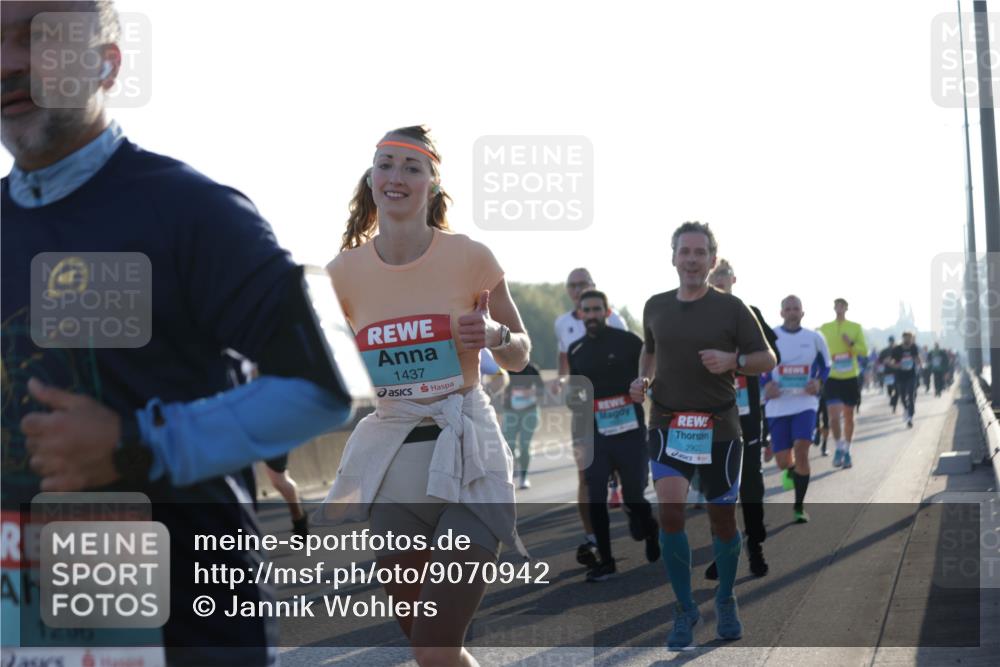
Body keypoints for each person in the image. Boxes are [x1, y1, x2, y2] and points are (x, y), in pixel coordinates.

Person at [2, 4, 355, 664]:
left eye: (40, 35)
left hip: (193, 635)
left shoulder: (189, 208)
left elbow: (324, 386)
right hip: (31, 626)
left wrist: (140, 446)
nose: (10, 61)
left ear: (108, 63)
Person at [318, 125, 530, 667]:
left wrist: (496, 337)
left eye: (412, 168)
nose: (397, 177)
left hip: (468, 456)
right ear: (371, 179)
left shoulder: (470, 257)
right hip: (394, 465)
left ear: (433, 186)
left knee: (435, 647)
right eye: (385, 164)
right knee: (428, 646)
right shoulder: (342, 274)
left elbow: (520, 353)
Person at [632, 222, 776, 650]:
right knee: (671, 515)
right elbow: (650, 349)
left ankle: (726, 597)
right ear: (673, 257)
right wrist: (642, 378)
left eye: (700, 253)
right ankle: (683, 609)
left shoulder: (732, 308)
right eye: (684, 252)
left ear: (713, 261)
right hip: (667, 423)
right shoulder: (655, 305)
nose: (691, 259)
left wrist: (734, 359)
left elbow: (767, 358)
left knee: (722, 520)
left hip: (719, 428)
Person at [567, 289, 659, 582]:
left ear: (607, 312)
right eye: (587, 310)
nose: (592, 315)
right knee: (596, 496)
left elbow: (651, 370)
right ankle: (606, 562)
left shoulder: (629, 342)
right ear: (580, 314)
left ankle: (650, 530)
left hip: (631, 433)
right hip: (596, 434)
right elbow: (576, 391)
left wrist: (646, 386)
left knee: (633, 495)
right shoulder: (576, 350)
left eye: (597, 310)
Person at [704, 259, 778, 578]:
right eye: (714, 275)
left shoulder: (750, 312)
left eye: (723, 274)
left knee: (750, 483)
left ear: (734, 278)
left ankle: (756, 546)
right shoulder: (696, 316)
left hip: (746, 413)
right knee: (718, 488)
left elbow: (771, 356)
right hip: (711, 415)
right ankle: (723, 552)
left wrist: (736, 361)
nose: (719, 279)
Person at [551, 268, 628, 567]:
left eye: (583, 284)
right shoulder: (562, 323)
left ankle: (618, 484)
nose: (577, 288)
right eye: (572, 285)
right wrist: (561, 379)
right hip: (583, 408)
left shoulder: (615, 317)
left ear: (593, 286)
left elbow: (628, 354)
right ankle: (591, 537)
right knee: (584, 472)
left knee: (618, 464)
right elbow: (563, 355)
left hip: (614, 407)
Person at [762, 296, 830, 523]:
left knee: (802, 448)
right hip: (778, 405)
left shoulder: (814, 338)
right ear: (781, 313)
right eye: (788, 309)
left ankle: (799, 506)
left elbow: (826, 366)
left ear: (803, 312)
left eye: (796, 309)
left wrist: (819, 382)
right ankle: (790, 470)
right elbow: (761, 364)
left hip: (805, 403)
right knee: (783, 460)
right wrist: (765, 384)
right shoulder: (770, 336)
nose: (792, 313)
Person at [818, 299, 868, 469]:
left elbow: (863, 351)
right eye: (837, 305)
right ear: (834, 308)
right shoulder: (825, 328)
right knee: (833, 417)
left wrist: (851, 344)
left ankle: (847, 450)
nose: (839, 308)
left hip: (849, 377)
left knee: (848, 416)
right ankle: (839, 447)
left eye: (842, 305)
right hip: (832, 377)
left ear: (847, 308)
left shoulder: (855, 327)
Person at [501, 360, 543, 489]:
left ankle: (524, 477)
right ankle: (511, 474)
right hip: (510, 411)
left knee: (525, 445)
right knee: (509, 445)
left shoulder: (532, 369)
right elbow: (497, 384)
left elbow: (542, 389)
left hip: (529, 411)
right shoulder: (505, 367)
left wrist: (530, 393)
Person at [888, 331, 921, 428]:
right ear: (903, 338)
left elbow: (917, 358)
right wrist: (894, 364)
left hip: (911, 375)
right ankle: (906, 410)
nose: (908, 340)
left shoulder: (913, 347)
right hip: (900, 376)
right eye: (906, 338)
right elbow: (892, 360)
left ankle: (910, 418)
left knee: (911, 395)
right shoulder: (897, 349)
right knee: (902, 397)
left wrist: (918, 361)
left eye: (910, 338)